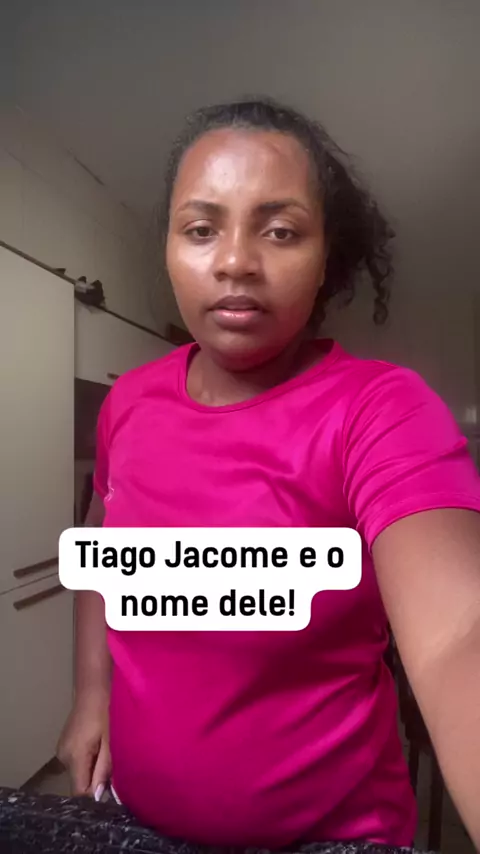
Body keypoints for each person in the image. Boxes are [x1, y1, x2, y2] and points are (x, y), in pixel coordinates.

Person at [58, 98, 480, 850]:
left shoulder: (379, 410)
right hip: (137, 820)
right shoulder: (129, 403)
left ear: (326, 258)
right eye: (201, 229)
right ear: (169, 247)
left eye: (280, 230)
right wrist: (92, 694)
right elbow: (102, 553)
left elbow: (459, 638)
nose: (234, 262)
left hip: (336, 838)